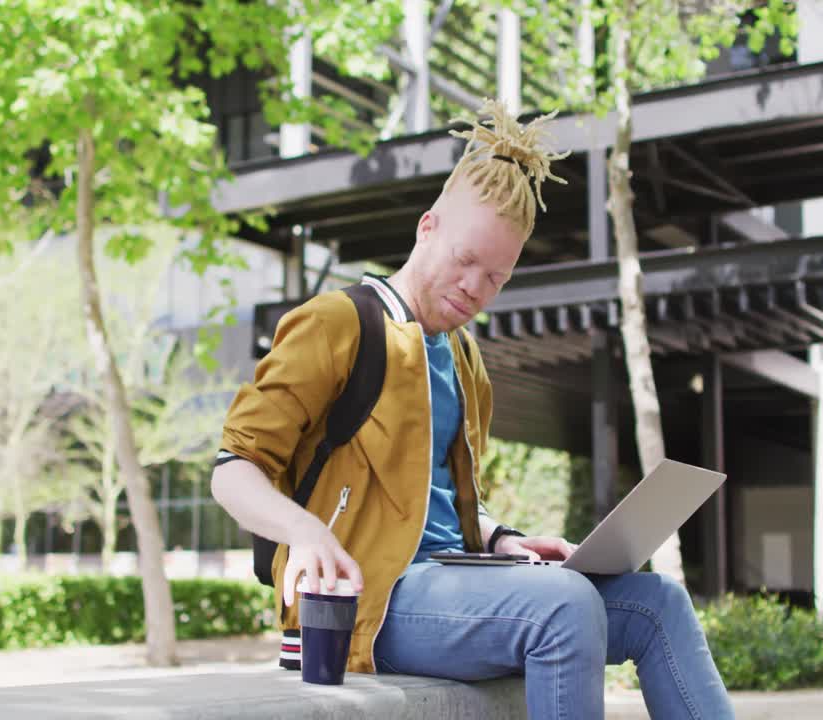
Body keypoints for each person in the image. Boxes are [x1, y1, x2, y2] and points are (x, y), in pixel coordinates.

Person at [210, 99, 733, 720]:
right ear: (426, 227)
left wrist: (505, 540)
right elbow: (232, 467)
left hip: (451, 586)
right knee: (564, 607)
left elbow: (441, 502)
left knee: (658, 605)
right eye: (465, 262)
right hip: (364, 599)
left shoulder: (464, 358)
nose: (474, 290)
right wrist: (303, 530)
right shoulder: (337, 323)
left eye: (496, 278)